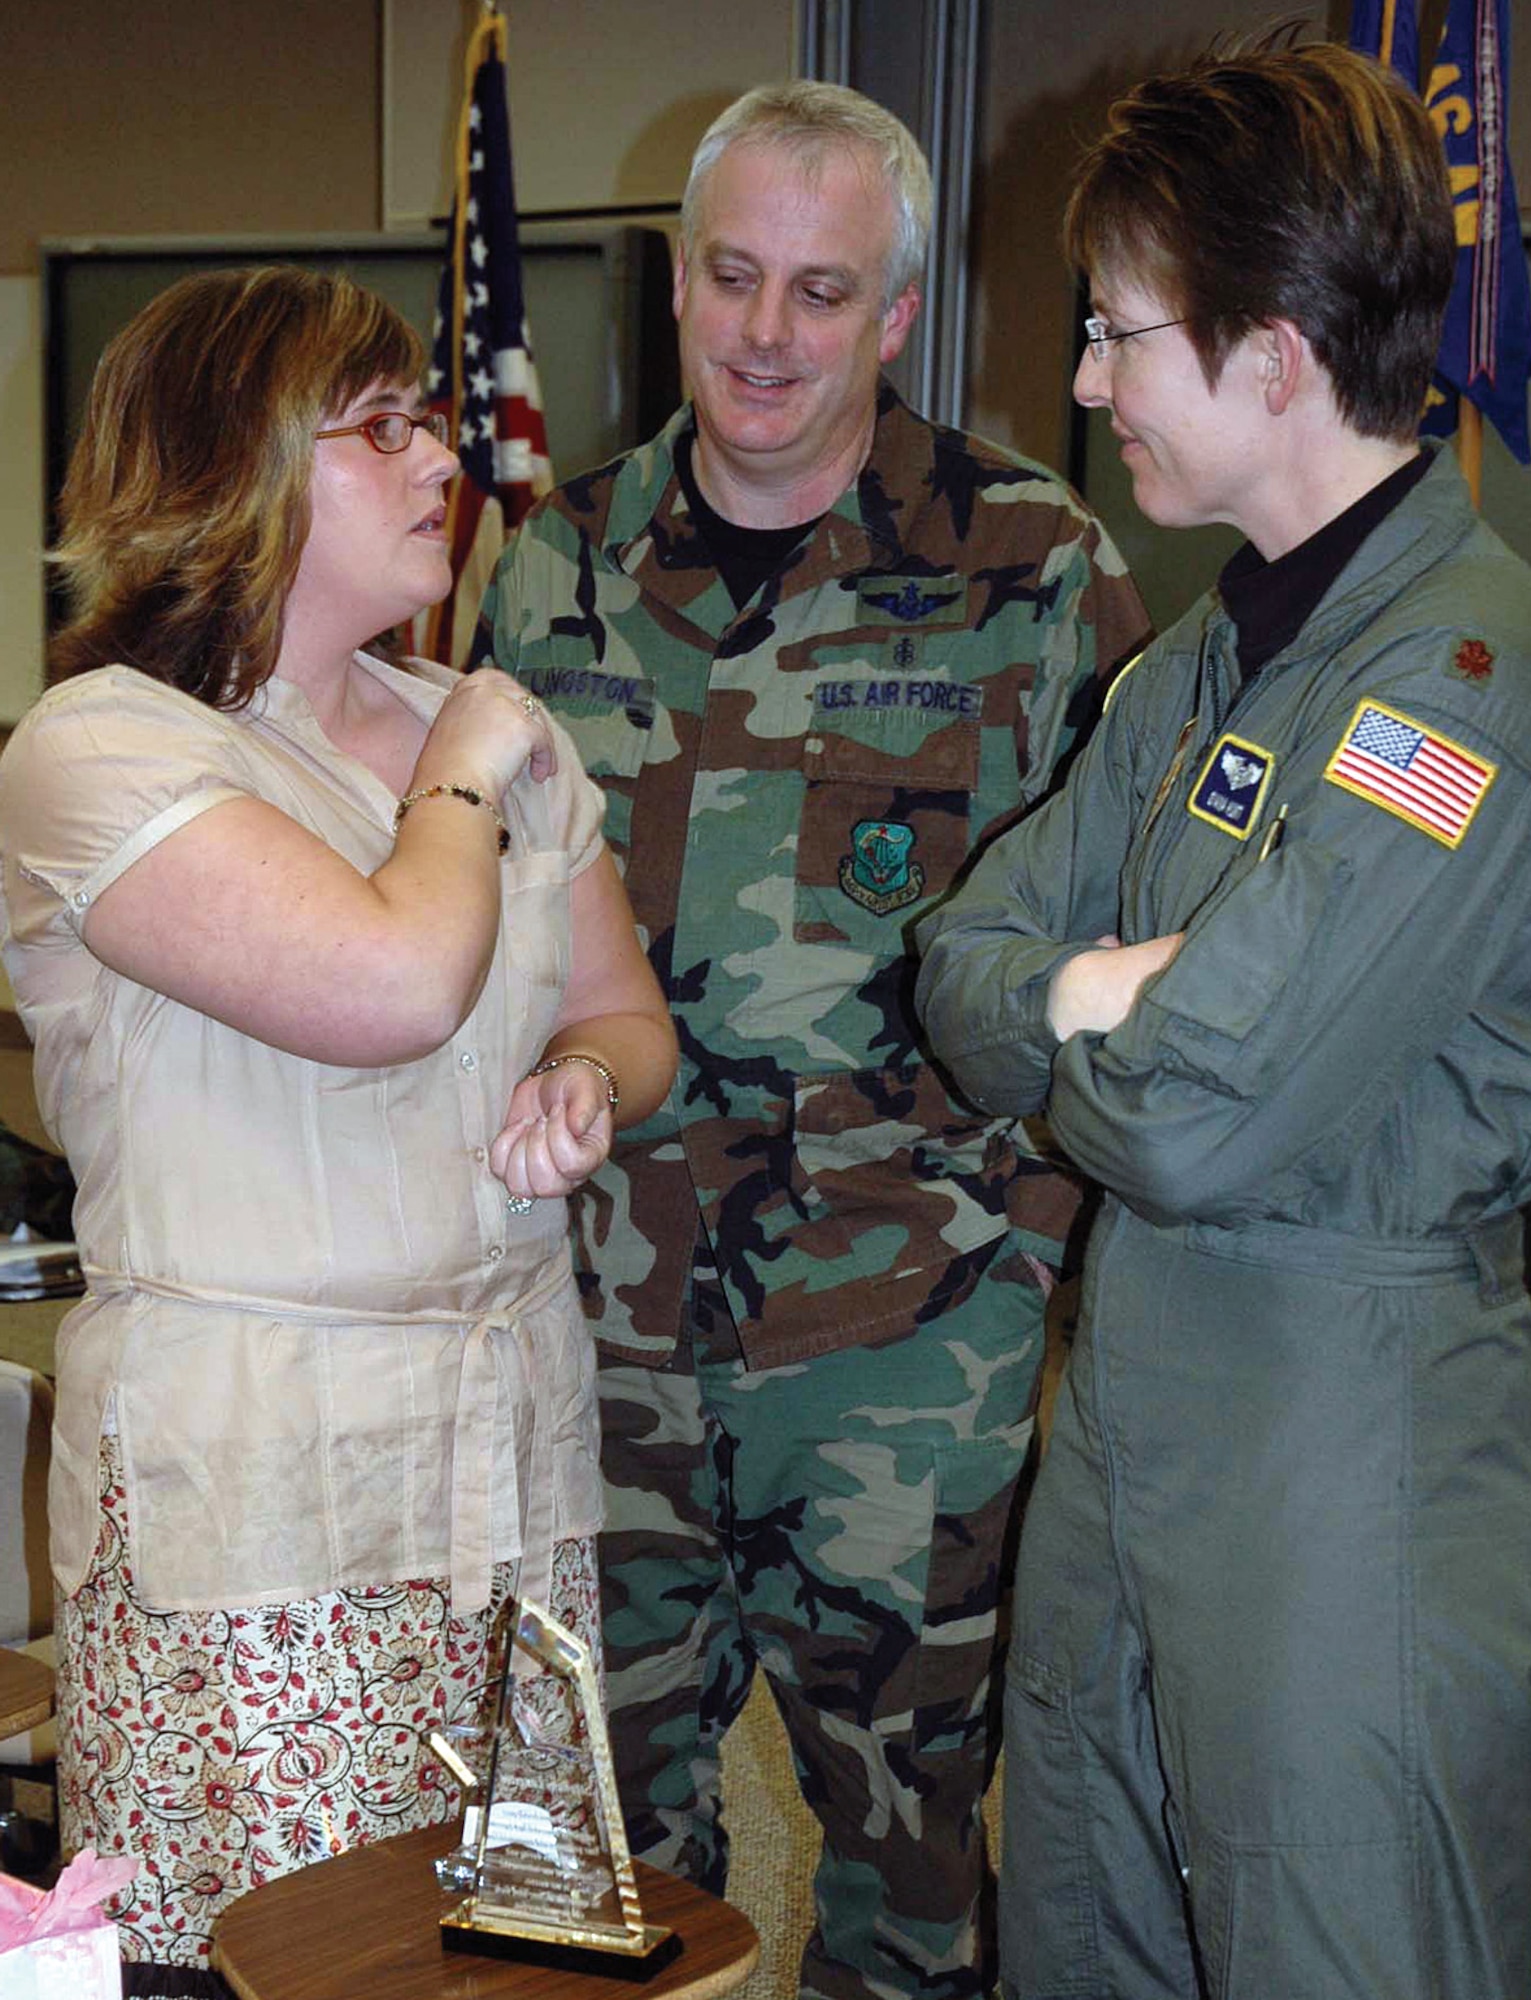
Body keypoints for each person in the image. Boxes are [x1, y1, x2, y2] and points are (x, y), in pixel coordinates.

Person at [472, 79, 1149, 2000]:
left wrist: (1014, 1262)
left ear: (899, 314)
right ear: (679, 280)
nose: (765, 336)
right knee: (589, 1865)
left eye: (822, 291)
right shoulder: (549, 569)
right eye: (732, 277)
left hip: (903, 1357)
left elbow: (1109, 968)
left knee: (906, 1864)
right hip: (594, 1335)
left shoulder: (1032, 569)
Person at [916, 39, 1531, 2000]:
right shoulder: (1196, 663)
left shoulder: (1458, 688)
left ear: (1270, 352)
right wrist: (1081, 992)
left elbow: (1198, 1124)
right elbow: (957, 974)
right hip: (1119, 1450)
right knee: (1085, 1950)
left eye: (1115, 333)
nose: (1085, 382)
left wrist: (1088, 1018)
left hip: (1337, 1474)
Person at [0, 265, 676, 1993]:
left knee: (501, 1948)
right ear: (239, 467)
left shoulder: (486, 733)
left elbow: (626, 1014)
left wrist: (584, 1084)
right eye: (381, 429)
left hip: (500, 1456)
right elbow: (391, 987)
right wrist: (456, 767)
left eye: (434, 419)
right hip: (260, 1492)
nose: (442, 457)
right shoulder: (100, 750)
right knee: (266, 1958)